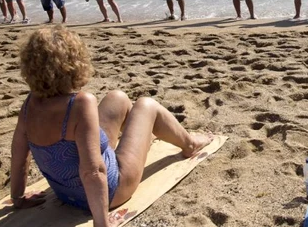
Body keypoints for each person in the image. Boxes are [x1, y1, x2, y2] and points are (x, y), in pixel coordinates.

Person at [11, 26, 213, 227]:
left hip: (65, 192)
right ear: (73, 64)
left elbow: (19, 154)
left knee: (117, 98)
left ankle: (140, 142)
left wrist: (18, 196)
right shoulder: (81, 103)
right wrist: (102, 223)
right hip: (112, 191)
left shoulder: (30, 104)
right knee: (146, 105)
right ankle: (190, 144)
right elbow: (93, 171)